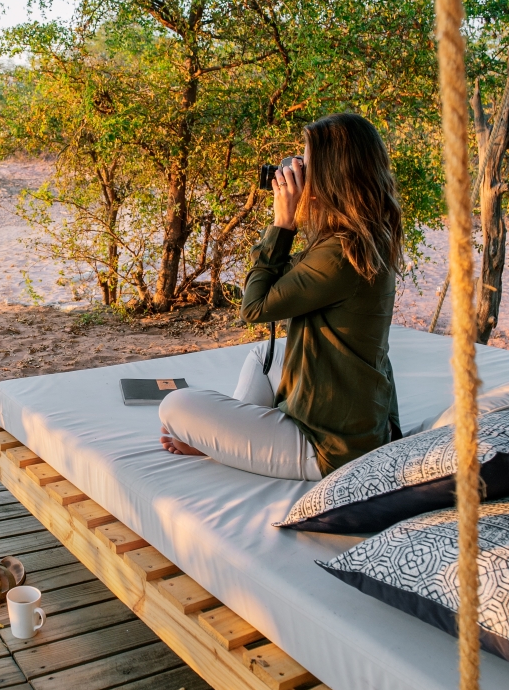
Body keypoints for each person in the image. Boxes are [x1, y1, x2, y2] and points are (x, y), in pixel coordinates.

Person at [158, 112, 402, 480]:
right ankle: (229, 440)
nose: (297, 171)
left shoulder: (341, 254)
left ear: (333, 174)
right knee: (262, 356)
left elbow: (255, 307)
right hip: (355, 418)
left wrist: (282, 222)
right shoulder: (361, 237)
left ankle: (226, 441)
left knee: (176, 404)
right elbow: (286, 288)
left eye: (307, 163)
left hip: (327, 446)